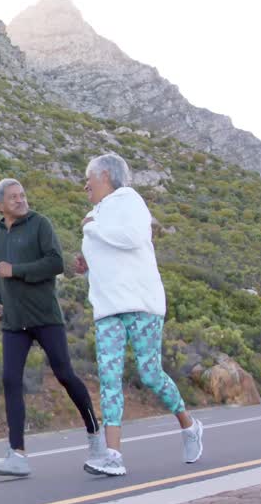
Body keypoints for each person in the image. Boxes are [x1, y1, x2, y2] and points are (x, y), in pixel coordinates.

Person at [75, 153, 203, 477]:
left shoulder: (128, 200)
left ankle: (189, 426)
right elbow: (108, 253)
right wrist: (87, 263)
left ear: (105, 174)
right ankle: (113, 455)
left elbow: (133, 238)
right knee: (109, 379)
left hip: (141, 305)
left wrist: (94, 231)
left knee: (149, 375)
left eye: (88, 177)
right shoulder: (96, 214)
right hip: (107, 310)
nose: (85, 184)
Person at [0, 178, 104, 477]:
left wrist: (17, 271)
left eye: (23, 194)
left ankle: (95, 436)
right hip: (14, 322)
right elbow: (0, 274)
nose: (20, 200)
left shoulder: (41, 224)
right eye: (13, 197)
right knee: (10, 380)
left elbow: (54, 263)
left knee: (65, 375)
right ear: (0, 205)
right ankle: (17, 455)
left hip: (45, 316)